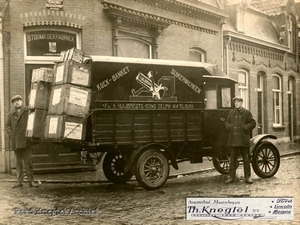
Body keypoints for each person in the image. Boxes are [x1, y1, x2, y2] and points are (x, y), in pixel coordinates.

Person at [5, 95, 38, 188]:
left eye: (18, 100)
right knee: (18, 163)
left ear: (21, 101)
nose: (17, 102)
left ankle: (31, 181)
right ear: (13, 103)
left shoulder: (27, 110)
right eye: (14, 101)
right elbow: (7, 125)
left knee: (28, 162)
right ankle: (19, 181)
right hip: (15, 141)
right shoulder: (10, 113)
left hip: (25, 141)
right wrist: (11, 133)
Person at [224, 96, 256, 184]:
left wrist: (246, 127)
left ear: (241, 103)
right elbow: (226, 122)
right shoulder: (231, 112)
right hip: (234, 140)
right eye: (235, 102)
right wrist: (229, 127)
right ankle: (231, 177)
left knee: (246, 159)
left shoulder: (246, 112)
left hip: (243, 139)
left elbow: (253, 123)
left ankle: (248, 177)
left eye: (238, 102)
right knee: (233, 159)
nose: (236, 104)